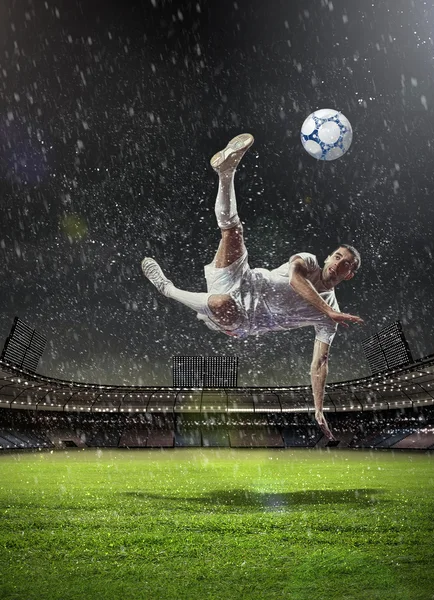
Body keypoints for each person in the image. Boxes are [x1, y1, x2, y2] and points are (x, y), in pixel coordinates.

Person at [141, 133, 363, 440]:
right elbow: (297, 280)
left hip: (244, 319)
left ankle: (167, 289)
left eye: (345, 263)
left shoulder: (329, 318)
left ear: (348, 274)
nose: (338, 262)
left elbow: (320, 363)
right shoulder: (309, 262)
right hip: (243, 278)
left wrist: (318, 408)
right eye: (337, 255)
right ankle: (226, 172)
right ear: (328, 257)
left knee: (219, 304)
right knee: (233, 232)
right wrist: (329, 310)